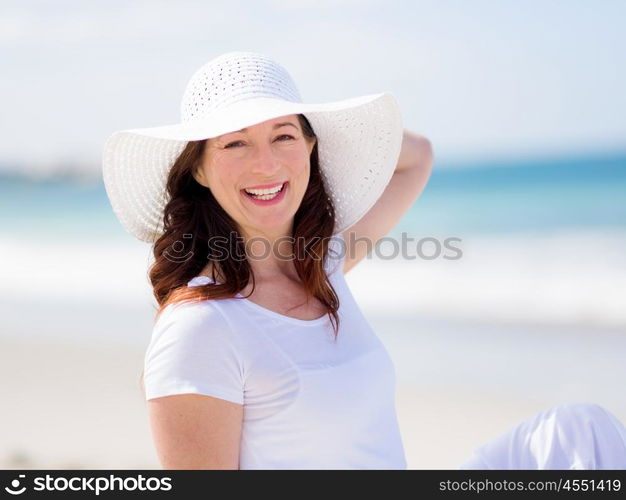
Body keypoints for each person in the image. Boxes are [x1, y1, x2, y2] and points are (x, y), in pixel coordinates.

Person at [102, 51, 626, 470]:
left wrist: (337, 140)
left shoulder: (320, 265)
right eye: (235, 143)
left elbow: (416, 158)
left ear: (312, 146)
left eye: (283, 135)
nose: (265, 163)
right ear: (198, 170)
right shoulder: (199, 325)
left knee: (581, 432)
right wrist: (295, 144)